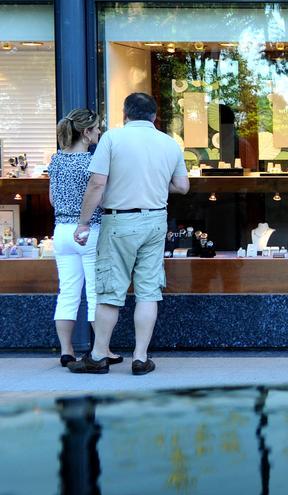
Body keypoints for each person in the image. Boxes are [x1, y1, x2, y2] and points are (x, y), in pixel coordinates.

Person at [67, 93, 190, 375]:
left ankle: (98, 356)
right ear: (154, 116)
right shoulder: (170, 143)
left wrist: (83, 223)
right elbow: (182, 186)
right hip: (156, 220)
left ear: (125, 114)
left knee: (110, 291)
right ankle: (140, 357)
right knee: (148, 291)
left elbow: (97, 184)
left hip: (119, 222)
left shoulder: (112, 139)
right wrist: (156, 185)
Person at [49, 109, 123, 368]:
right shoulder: (92, 162)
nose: (100, 132)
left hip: (61, 231)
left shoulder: (56, 160)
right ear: (86, 132)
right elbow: (99, 196)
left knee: (67, 292)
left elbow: (51, 199)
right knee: (95, 293)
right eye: (97, 129)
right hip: (89, 231)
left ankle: (66, 351)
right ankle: (101, 350)